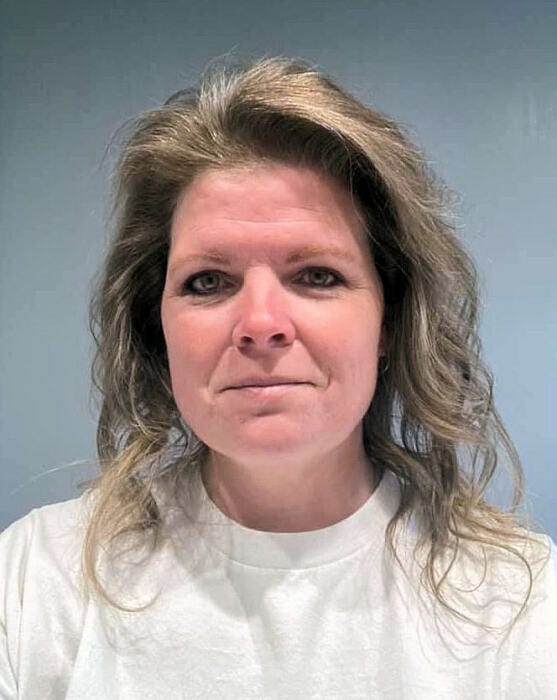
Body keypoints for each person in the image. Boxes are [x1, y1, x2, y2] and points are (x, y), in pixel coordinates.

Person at [1, 57, 556, 699]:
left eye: (317, 276)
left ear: (390, 320)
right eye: (208, 282)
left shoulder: (520, 603)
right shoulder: (37, 580)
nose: (260, 324)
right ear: (158, 329)